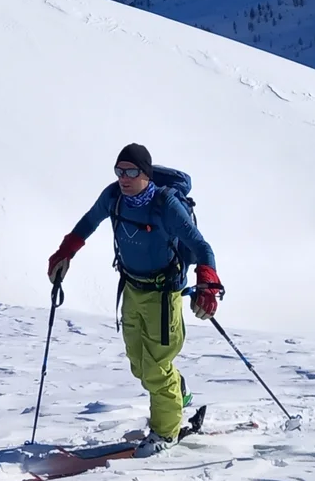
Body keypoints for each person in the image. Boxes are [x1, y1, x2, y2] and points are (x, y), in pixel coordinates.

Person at [45, 143, 224, 456]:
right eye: (119, 170)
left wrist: (207, 284)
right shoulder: (113, 197)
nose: (123, 178)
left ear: (146, 174)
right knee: (139, 363)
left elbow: (200, 246)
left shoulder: (165, 204)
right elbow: (89, 222)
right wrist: (65, 252)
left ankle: (165, 433)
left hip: (162, 294)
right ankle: (178, 392)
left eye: (131, 171)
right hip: (131, 288)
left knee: (156, 367)